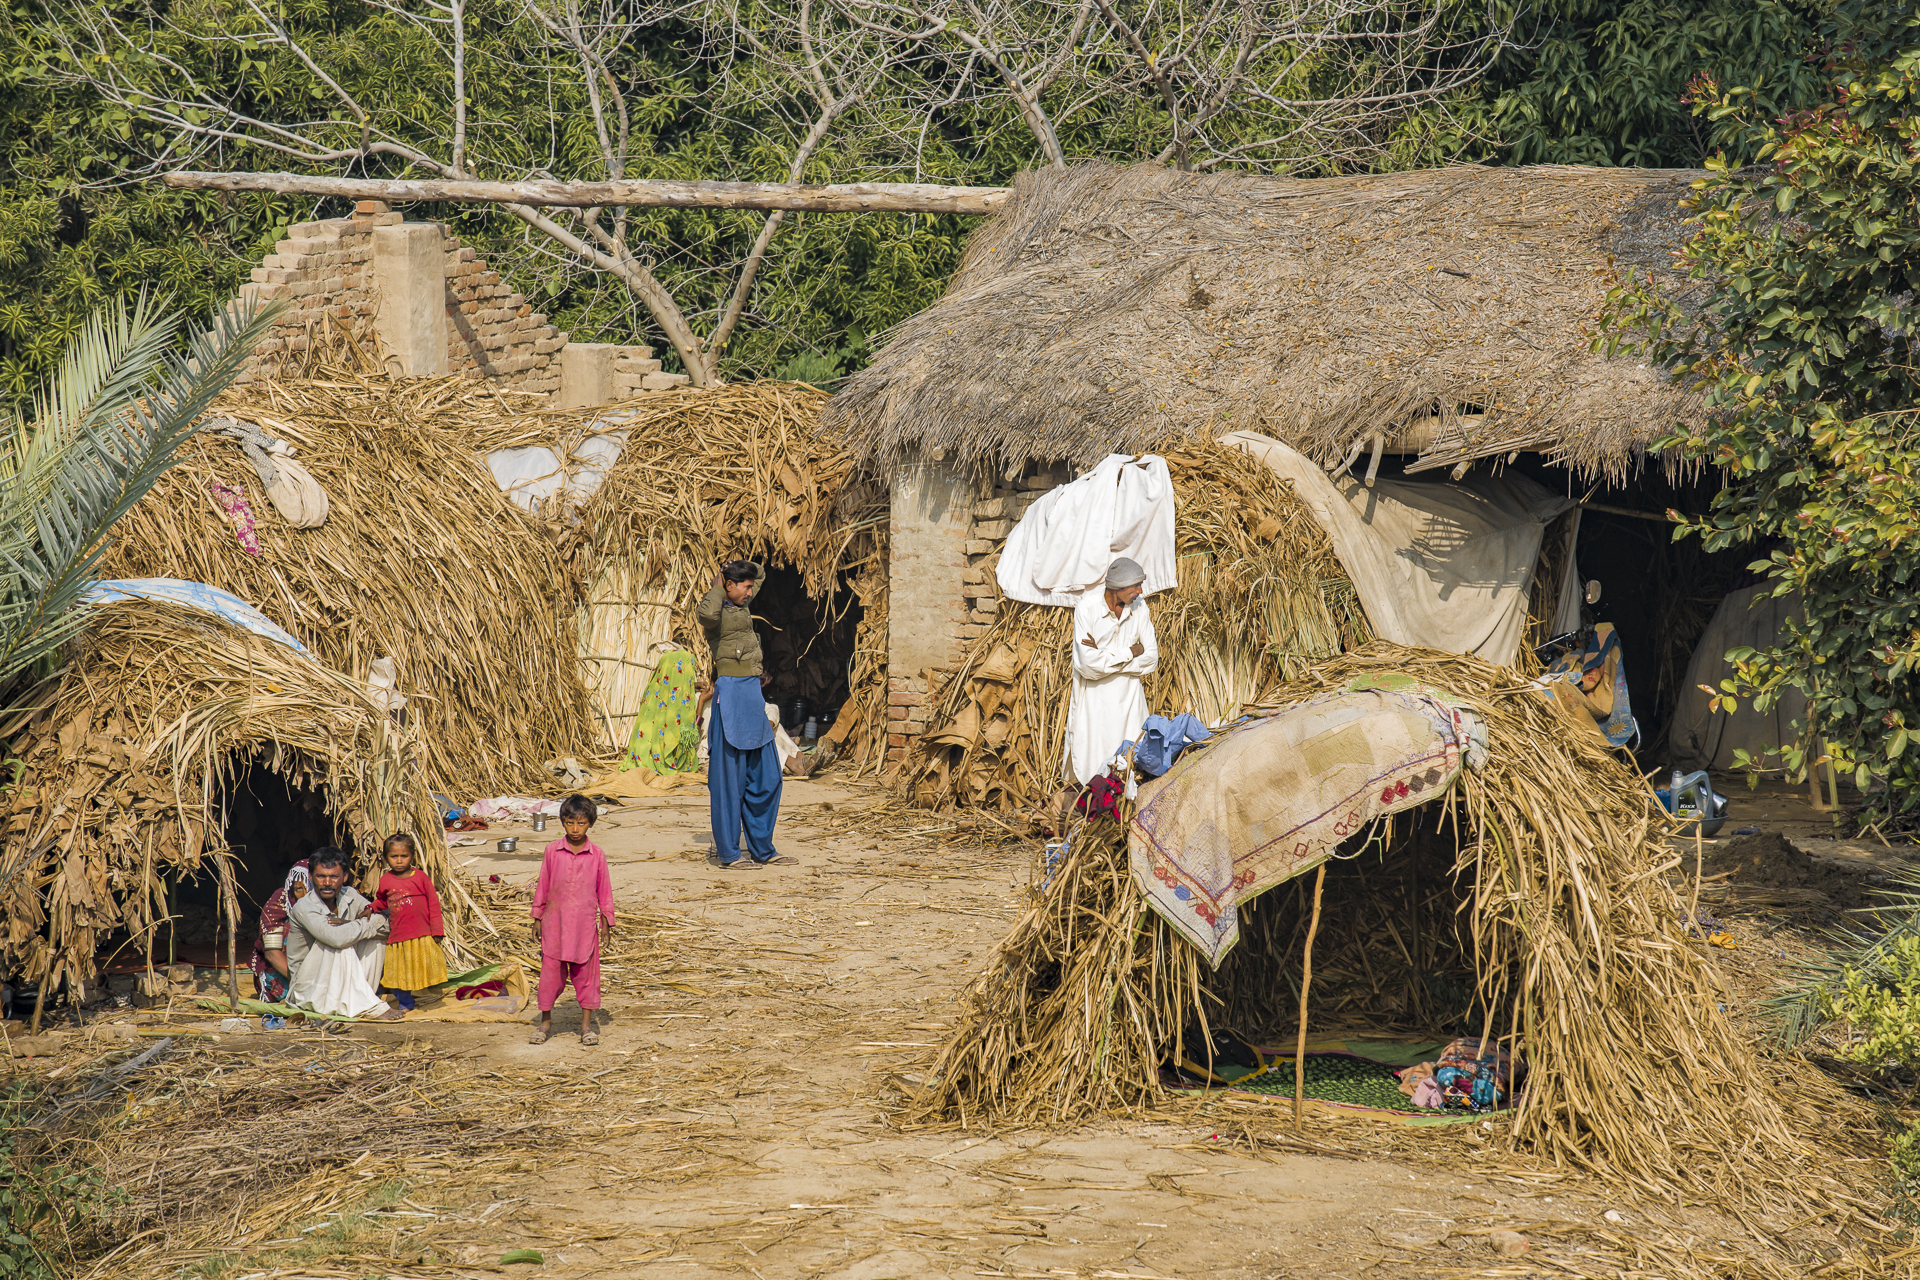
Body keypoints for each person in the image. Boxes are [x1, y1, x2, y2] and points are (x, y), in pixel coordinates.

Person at [696, 560, 797, 868]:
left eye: (752, 587)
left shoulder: (743, 603)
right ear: (729, 586)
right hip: (731, 693)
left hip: (753, 694)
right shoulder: (717, 613)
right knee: (728, 780)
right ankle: (729, 853)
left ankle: (763, 849)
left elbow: (760, 574)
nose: (751, 591)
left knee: (768, 776)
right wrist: (717, 584)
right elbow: (705, 614)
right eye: (745, 586)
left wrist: (740, 566)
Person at [1063, 556, 1160, 788]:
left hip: (1130, 701)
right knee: (1095, 760)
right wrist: (1130, 652)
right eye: (1135, 586)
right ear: (1117, 588)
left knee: (1130, 763)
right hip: (1094, 705)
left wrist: (1105, 658)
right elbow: (1086, 665)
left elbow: (1151, 659)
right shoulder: (1088, 608)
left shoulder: (1139, 607)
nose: (1140, 590)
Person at [530, 794, 616, 1046]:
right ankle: (545, 1022)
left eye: (581, 823)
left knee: (586, 976)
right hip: (554, 924)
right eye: (570, 823)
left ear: (590, 824)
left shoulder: (597, 855)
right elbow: (543, 885)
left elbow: (604, 890)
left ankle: (586, 1025)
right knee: (549, 976)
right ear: (562, 822)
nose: (575, 829)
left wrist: (607, 920)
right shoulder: (552, 851)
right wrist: (537, 916)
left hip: (583, 927)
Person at [286, 847, 401, 1021]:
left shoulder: (350, 895)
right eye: (320, 876)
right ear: (311, 877)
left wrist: (351, 925)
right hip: (309, 988)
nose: (327, 882)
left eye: (334, 877)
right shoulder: (305, 907)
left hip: (341, 984)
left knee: (374, 940)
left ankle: (361, 1000)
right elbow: (338, 938)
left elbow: (388, 926)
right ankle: (368, 1006)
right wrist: (364, 924)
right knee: (338, 939)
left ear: (345, 877)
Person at [370, 832, 446, 1011]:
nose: (399, 860)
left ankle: (418, 996)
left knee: (422, 967)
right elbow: (382, 900)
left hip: (422, 934)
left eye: (404, 856)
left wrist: (437, 930)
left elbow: (433, 904)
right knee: (398, 973)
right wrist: (370, 908)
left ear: (412, 856)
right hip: (399, 936)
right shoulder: (386, 880)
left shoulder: (420, 877)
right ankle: (406, 1002)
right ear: (386, 858)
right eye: (393, 856)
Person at [249, 858, 312, 1002]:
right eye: (298, 889)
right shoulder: (280, 901)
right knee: (293, 926)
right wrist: (303, 985)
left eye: (309, 887)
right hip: (283, 976)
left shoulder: (326, 904)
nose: (304, 894)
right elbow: (272, 954)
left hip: (314, 976)